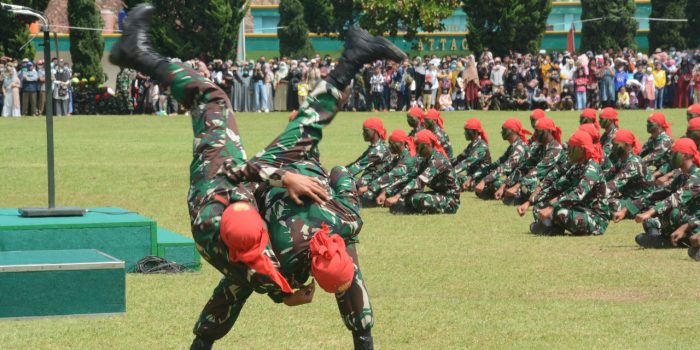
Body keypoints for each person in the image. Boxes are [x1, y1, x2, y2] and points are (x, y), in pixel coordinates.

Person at [109, 5, 407, 350]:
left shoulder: (328, 229)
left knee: (216, 101)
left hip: (241, 185)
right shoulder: (319, 239)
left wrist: (286, 179)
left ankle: (139, 54)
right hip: (257, 190)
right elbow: (250, 277)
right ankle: (354, 55)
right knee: (306, 126)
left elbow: (244, 177)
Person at [526, 131, 610, 236]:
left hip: (595, 217)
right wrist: (532, 201)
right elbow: (557, 186)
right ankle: (552, 227)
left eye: (571, 149)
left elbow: (577, 194)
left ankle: (550, 226)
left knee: (561, 213)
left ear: (581, 150)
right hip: (577, 208)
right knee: (539, 207)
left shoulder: (592, 169)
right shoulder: (576, 166)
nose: (568, 152)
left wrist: (552, 206)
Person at [626, 138, 700, 249]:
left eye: (675, 154)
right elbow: (661, 193)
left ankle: (679, 240)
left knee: (674, 212)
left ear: (685, 155)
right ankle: (668, 239)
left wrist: (650, 212)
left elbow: (675, 198)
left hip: (695, 220)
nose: (672, 157)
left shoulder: (697, 177)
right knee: (651, 220)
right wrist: (629, 208)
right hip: (688, 218)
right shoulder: (682, 175)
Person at [383, 130, 460, 214]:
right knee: (408, 197)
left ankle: (408, 209)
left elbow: (420, 181)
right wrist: (387, 191)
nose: (415, 148)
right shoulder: (425, 159)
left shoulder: (438, 160)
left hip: (450, 200)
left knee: (416, 199)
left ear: (427, 145)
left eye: (418, 145)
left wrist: (397, 196)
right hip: (439, 194)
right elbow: (410, 176)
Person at [503, 116, 563, 205]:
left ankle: (532, 197)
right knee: (508, 195)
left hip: (555, 185)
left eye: (538, 131)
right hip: (543, 182)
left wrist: (516, 187)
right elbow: (525, 166)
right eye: (535, 131)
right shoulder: (540, 147)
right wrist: (505, 184)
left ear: (548, 131)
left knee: (530, 185)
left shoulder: (555, 148)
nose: (535, 134)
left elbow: (538, 170)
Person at [473, 118, 530, 200]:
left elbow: (505, 167)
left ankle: (514, 195)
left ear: (512, 130)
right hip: (511, 182)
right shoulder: (513, 146)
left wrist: (484, 181)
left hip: (522, 185)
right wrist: (478, 173)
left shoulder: (519, 148)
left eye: (504, 130)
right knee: (484, 179)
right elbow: (497, 164)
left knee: (492, 184)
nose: (501, 132)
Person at [605, 130, 654, 220]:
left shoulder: (633, 164)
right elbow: (606, 178)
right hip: (629, 199)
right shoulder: (622, 161)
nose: (612, 148)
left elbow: (614, 184)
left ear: (627, 145)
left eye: (616, 145)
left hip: (641, 204)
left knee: (603, 203)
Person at [362, 129, 418, 206]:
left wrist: (369, 187)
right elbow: (383, 172)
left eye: (393, 144)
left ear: (401, 143)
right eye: (389, 143)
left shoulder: (408, 159)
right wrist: (364, 182)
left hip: (405, 190)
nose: (390, 146)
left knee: (369, 194)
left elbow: (391, 175)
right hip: (394, 186)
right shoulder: (398, 157)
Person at [347, 117, 392, 188]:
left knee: (343, 182)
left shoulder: (378, 150)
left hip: (374, 185)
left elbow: (357, 167)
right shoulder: (374, 147)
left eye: (366, 131)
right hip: (369, 180)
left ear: (375, 131)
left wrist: (340, 173)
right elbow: (357, 162)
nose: (363, 133)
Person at [453, 118, 491, 191]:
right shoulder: (472, 145)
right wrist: (444, 166)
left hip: (479, 180)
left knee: (450, 177)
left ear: (474, 132)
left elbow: (466, 163)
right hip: (471, 178)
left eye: (467, 131)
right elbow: (459, 159)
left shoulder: (481, 147)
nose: (465, 133)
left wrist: (449, 172)